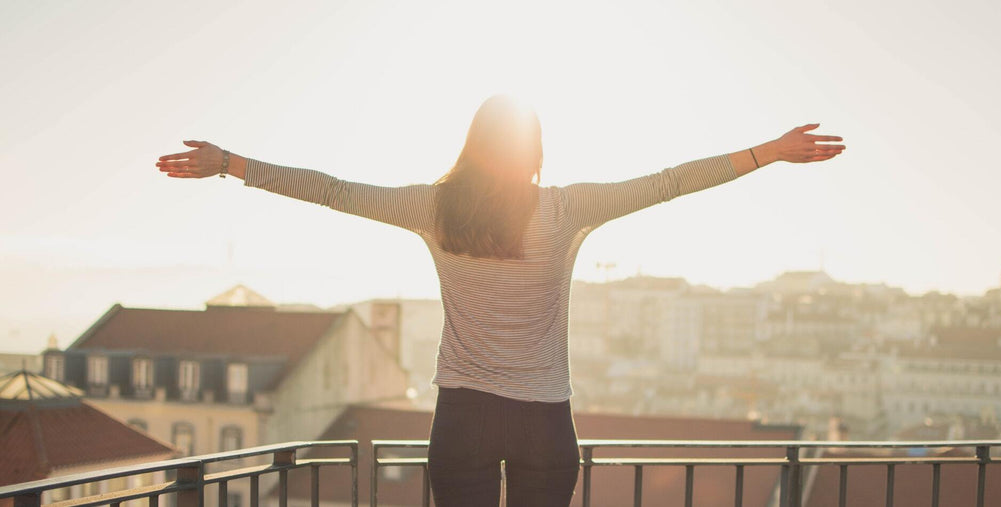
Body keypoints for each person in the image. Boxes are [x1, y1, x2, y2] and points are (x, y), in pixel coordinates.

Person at [156, 94, 844, 506]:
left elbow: (332, 189)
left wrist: (232, 164)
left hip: (462, 417)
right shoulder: (565, 208)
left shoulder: (433, 208)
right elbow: (667, 183)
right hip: (545, 422)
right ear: (535, 149)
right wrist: (770, 151)